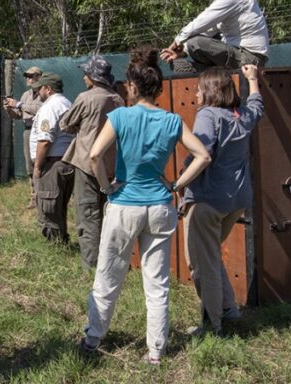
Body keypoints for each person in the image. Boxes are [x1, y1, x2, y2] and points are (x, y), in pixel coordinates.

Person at [80, 47, 211, 365]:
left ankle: (93, 338)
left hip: (124, 206)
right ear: (159, 89)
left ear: (132, 87)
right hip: (161, 207)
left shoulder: (121, 116)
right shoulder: (171, 120)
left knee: (108, 274)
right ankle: (156, 352)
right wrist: (177, 184)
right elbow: (203, 155)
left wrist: (105, 186)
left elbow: (95, 155)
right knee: (157, 282)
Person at [182, 65, 264, 336]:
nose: (195, 92)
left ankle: (213, 326)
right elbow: (257, 107)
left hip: (207, 199)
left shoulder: (208, 115)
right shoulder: (240, 115)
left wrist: (178, 184)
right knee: (211, 254)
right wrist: (252, 80)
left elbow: (201, 155)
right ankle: (229, 309)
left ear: (210, 91)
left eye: (199, 87)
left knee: (199, 264)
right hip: (236, 200)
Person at [60, 55, 124, 268]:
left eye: (86, 73)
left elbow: (66, 124)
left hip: (87, 163)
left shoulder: (86, 98)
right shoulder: (118, 98)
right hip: (112, 166)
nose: (84, 77)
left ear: (93, 77)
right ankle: (110, 261)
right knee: (108, 213)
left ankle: (91, 265)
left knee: (88, 214)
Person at [160, 0, 269, 72]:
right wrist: (183, 51)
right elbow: (209, 30)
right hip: (236, 55)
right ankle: (214, 74)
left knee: (196, 43)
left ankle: (215, 73)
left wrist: (179, 39)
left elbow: (203, 21)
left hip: (250, 59)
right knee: (178, 64)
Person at [30, 72, 75, 243]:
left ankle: (55, 244)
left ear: (48, 89)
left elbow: (45, 140)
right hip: (66, 160)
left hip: (52, 162)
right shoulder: (66, 103)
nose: (37, 93)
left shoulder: (50, 107)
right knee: (59, 205)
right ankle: (62, 239)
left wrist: (37, 167)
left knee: (49, 207)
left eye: (39, 89)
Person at [4, 67, 44, 209]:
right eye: (26, 76)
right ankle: (34, 196)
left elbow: (41, 109)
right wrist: (10, 109)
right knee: (29, 166)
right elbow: (19, 115)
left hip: (40, 130)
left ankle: (43, 196)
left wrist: (19, 104)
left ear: (39, 76)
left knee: (42, 164)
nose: (28, 78)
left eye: (31, 76)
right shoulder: (26, 95)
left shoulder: (44, 93)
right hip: (28, 131)